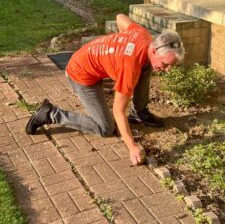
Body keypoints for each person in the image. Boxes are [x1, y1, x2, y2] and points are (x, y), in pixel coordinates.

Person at [26, 14, 185, 165]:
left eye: (171, 65)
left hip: (88, 60)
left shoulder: (144, 36)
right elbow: (118, 111)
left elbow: (120, 17)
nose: (167, 70)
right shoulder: (130, 67)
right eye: (165, 64)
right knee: (105, 128)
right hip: (80, 75)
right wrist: (132, 147)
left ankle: (139, 113)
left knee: (148, 65)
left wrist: (120, 46)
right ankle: (51, 114)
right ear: (154, 50)